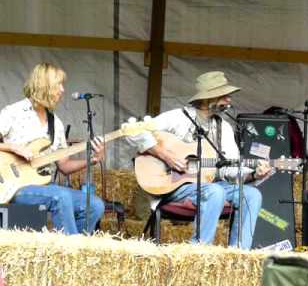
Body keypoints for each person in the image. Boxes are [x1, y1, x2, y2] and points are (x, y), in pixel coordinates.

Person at [130, 71, 271, 249]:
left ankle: (238, 254)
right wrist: (166, 156)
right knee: (214, 192)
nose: (229, 100)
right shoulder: (178, 117)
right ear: (207, 98)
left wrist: (254, 175)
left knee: (252, 195)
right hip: (175, 185)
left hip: (210, 184)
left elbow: (228, 169)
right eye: (224, 96)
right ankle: (199, 251)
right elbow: (134, 131)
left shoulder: (224, 128)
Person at [0, 63, 105, 234]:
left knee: (94, 205)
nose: (63, 90)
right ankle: (72, 253)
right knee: (59, 196)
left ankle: (77, 251)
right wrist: (13, 147)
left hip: (43, 185)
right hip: (14, 188)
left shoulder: (55, 123)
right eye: (58, 84)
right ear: (43, 85)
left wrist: (92, 160)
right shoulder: (13, 112)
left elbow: (64, 166)